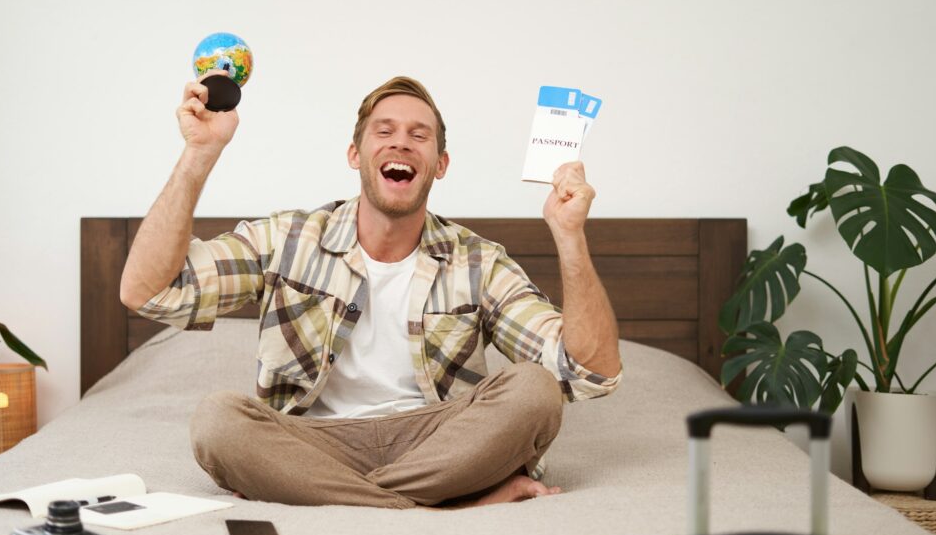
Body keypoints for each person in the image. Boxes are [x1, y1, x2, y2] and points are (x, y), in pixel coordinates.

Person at [120, 73, 622, 509]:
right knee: (218, 422)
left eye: (418, 135)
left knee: (533, 390)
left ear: (440, 163)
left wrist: (569, 234)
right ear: (355, 154)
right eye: (384, 132)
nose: (401, 143)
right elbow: (151, 292)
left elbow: (586, 373)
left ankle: (333, 494)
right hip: (314, 442)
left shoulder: (480, 262)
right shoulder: (287, 240)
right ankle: (448, 504)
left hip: (440, 439)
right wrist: (199, 153)